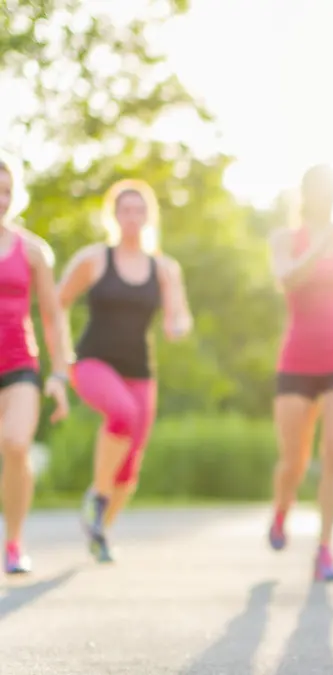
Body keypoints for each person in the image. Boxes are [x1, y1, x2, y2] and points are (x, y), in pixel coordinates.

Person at [57, 179, 193, 563]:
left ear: (148, 216)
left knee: (130, 468)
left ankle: (100, 530)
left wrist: (179, 326)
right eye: (125, 210)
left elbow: (178, 314)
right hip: (90, 362)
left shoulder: (165, 268)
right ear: (114, 215)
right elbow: (58, 303)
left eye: (139, 210)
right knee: (122, 414)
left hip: (140, 371)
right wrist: (61, 355)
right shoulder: (94, 258)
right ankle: (97, 498)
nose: (132, 217)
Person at [266, 164, 333, 583]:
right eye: (318, 186)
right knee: (294, 459)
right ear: (305, 191)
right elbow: (285, 279)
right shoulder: (285, 239)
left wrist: (332, 244)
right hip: (297, 360)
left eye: (332, 186)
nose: (325, 193)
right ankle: (281, 510)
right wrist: (317, 247)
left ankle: (324, 549)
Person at [0, 156, 72, 574]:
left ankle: (13, 541)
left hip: (19, 364)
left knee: (15, 444)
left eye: (7, 191)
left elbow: (52, 315)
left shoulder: (33, 251)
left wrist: (60, 372)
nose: (2, 200)